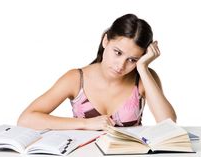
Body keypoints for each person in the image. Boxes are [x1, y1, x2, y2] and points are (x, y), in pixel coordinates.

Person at [17, 14, 176, 131]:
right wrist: (85, 124)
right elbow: (26, 119)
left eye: (132, 59)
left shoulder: (144, 79)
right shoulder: (76, 79)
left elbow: (168, 124)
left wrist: (143, 68)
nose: (120, 65)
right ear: (105, 41)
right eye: (118, 52)